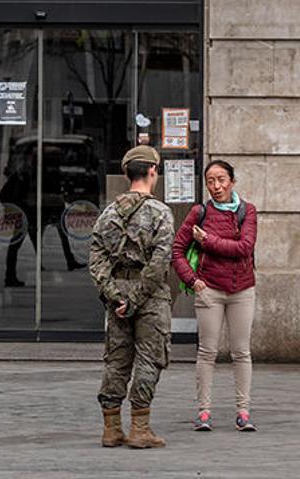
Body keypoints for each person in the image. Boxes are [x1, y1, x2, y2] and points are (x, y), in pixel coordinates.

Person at [88, 145, 174, 449]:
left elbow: (96, 259)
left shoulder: (108, 213)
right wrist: (137, 298)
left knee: (116, 360)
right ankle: (140, 428)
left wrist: (114, 294)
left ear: (126, 173)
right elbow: (160, 261)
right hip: (149, 296)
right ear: (153, 172)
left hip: (118, 295)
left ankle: (111, 429)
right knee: (150, 358)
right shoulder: (160, 212)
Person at [172, 160, 258, 432]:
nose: (216, 186)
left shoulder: (248, 211)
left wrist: (207, 241)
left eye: (221, 179)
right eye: (210, 181)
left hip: (242, 289)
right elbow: (176, 250)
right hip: (209, 289)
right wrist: (193, 280)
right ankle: (203, 412)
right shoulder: (199, 212)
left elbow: (244, 248)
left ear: (232, 181)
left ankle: (243, 412)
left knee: (241, 352)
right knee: (207, 352)